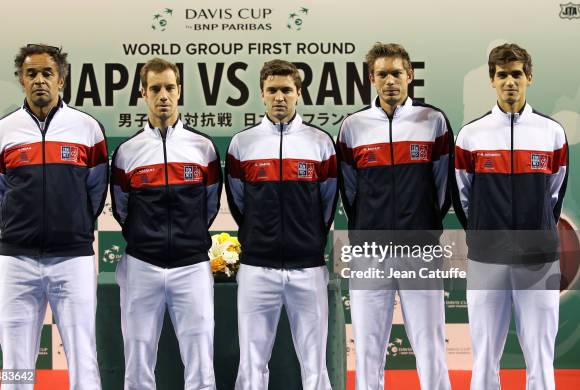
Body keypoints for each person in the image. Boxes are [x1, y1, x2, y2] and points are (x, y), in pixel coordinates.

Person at [0, 44, 107, 389]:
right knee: (16, 364)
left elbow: (95, 191)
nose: (39, 80)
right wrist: (22, 226)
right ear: (21, 80)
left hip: (73, 259)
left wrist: (74, 223)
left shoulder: (86, 128)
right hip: (17, 260)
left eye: (47, 73)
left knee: (83, 358)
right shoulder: (3, 132)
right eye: (31, 74)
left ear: (62, 80)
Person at [337, 42, 453, 390]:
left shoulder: (433, 121)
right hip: (370, 253)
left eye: (397, 73)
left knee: (430, 346)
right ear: (371, 78)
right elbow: (349, 191)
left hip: (420, 250)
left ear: (410, 76)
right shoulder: (353, 127)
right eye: (382, 74)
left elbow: (443, 187)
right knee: (369, 350)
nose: (390, 80)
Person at [453, 43, 568, 390]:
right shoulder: (471, 135)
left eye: (516, 74)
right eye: (502, 75)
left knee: (541, 359)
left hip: (539, 258)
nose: (509, 82)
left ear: (529, 78)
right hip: (487, 258)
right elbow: (462, 197)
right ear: (492, 80)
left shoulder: (552, 133)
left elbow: (554, 195)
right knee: (485, 357)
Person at [225, 59, 337, 390]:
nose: (279, 97)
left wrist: (311, 240)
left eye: (286, 90)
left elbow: (327, 204)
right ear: (261, 93)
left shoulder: (320, 143)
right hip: (258, 268)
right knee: (252, 364)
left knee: (315, 365)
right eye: (272, 90)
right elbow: (238, 203)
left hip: (308, 268)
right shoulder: (242, 144)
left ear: (299, 94)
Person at [110, 57, 221, 390]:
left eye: (169, 88)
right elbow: (121, 209)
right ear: (143, 93)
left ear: (179, 91)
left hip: (192, 267)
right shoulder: (127, 153)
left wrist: (188, 239)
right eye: (155, 88)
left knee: (201, 363)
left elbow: (210, 207)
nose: (163, 95)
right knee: (138, 362)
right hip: (142, 266)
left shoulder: (204, 149)